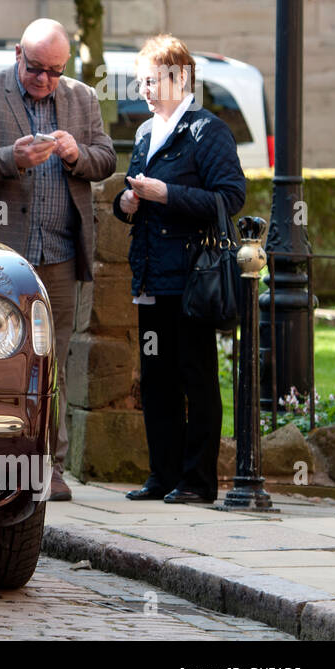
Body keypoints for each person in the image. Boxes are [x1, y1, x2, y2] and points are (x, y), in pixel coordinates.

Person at [0, 18, 117, 501]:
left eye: (55, 71)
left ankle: (48, 467)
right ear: (18, 54)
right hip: (0, 255)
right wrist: (10, 158)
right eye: (37, 68)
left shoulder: (82, 98)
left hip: (60, 254)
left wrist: (75, 153)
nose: (44, 80)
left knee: (53, 362)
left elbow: (105, 159)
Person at [114, 35, 245, 504]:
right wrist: (126, 202)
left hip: (191, 280)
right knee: (156, 380)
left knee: (196, 378)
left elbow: (229, 199)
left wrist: (165, 195)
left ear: (180, 77)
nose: (143, 89)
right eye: (140, 81)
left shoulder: (207, 131)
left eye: (151, 80)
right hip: (151, 278)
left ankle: (198, 482)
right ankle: (163, 476)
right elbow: (130, 196)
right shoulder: (147, 132)